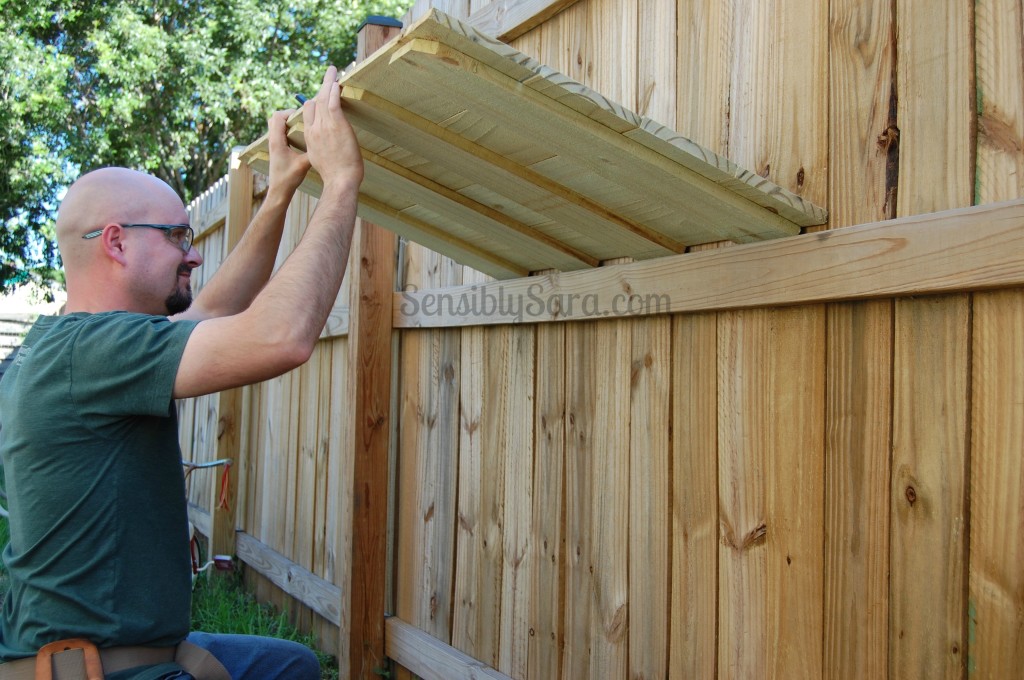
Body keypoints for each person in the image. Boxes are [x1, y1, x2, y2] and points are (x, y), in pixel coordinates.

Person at [0, 65, 362, 679]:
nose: (193, 252)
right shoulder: (93, 351)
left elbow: (215, 309)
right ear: (116, 243)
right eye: (176, 237)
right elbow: (282, 337)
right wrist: (344, 181)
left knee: (291, 664)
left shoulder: (54, 348)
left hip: (81, 652)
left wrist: (279, 194)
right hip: (105, 670)